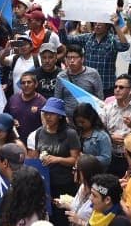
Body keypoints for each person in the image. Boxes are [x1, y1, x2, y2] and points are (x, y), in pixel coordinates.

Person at [27, 97, 81, 226]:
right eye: (46, 113)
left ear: (60, 116)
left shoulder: (70, 134)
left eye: (52, 114)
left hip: (64, 184)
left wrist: (57, 159)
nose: (48, 117)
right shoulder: (39, 133)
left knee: (62, 219)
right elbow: (35, 156)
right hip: (45, 183)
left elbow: (76, 159)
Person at [59, 14, 129, 99]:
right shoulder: (87, 38)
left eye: (100, 23)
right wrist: (62, 21)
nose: (97, 25)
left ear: (107, 25)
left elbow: (125, 46)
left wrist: (116, 25)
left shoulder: (112, 40)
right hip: (88, 84)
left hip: (106, 85)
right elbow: (64, 40)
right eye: (95, 23)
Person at [55, 44, 104, 119]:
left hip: (89, 119)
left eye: (75, 58)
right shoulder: (61, 77)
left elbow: (100, 97)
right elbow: (58, 99)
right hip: (68, 120)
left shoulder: (93, 74)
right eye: (69, 58)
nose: (71, 61)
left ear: (82, 59)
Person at [54, 154, 103, 226]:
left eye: (75, 169)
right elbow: (79, 208)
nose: (73, 172)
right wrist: (64, 204)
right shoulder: (82, 186)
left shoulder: (99, 194)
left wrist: (80, 222)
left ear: (86, 173)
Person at [5, 71, 47, 142]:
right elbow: (5, 116)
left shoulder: (42, 102)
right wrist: (12, 121)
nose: (26, 85)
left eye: (29, 82)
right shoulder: (13, 99)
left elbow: (46, 125)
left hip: (35, 143)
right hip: (15, 142)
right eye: (23, 83)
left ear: (36, 84)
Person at [73, 102, 112, 169]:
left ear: (91, 118)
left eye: (82, 122)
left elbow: (106, 159)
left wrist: (86, 159)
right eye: (77, 122)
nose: (80, 125)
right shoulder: (77, 133)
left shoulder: (102, 136)